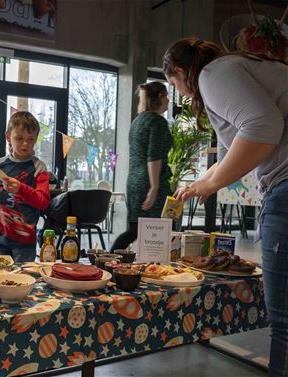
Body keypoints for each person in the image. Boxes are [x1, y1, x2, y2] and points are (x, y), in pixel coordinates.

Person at [164, 37, 288, 376]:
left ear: (179, 72)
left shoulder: (212, 74)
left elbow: (265, 127)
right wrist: (199, 184)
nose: (182, 95)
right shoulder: (233, 68)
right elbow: (233, 149)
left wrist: (214, 184)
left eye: (176, 86)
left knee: (284, 322)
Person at [0, 111, 50, 263]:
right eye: (19, 138)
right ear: (8, 137)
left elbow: (43, 202)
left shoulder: (39, 168)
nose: (25, 144)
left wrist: (20, 189)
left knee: (23, 280)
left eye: (31, 139)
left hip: (25, 242)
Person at [110, 81, 172, 252]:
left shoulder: (137, 121)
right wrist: (154, 187)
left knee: (134, 230)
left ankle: (107, 261)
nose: (168, 99)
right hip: (150, 182)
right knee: (161, 231)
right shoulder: (157, 122)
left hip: (135, 182)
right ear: (159, 97)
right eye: (166, 95)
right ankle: (154, 268)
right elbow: (154, 156)